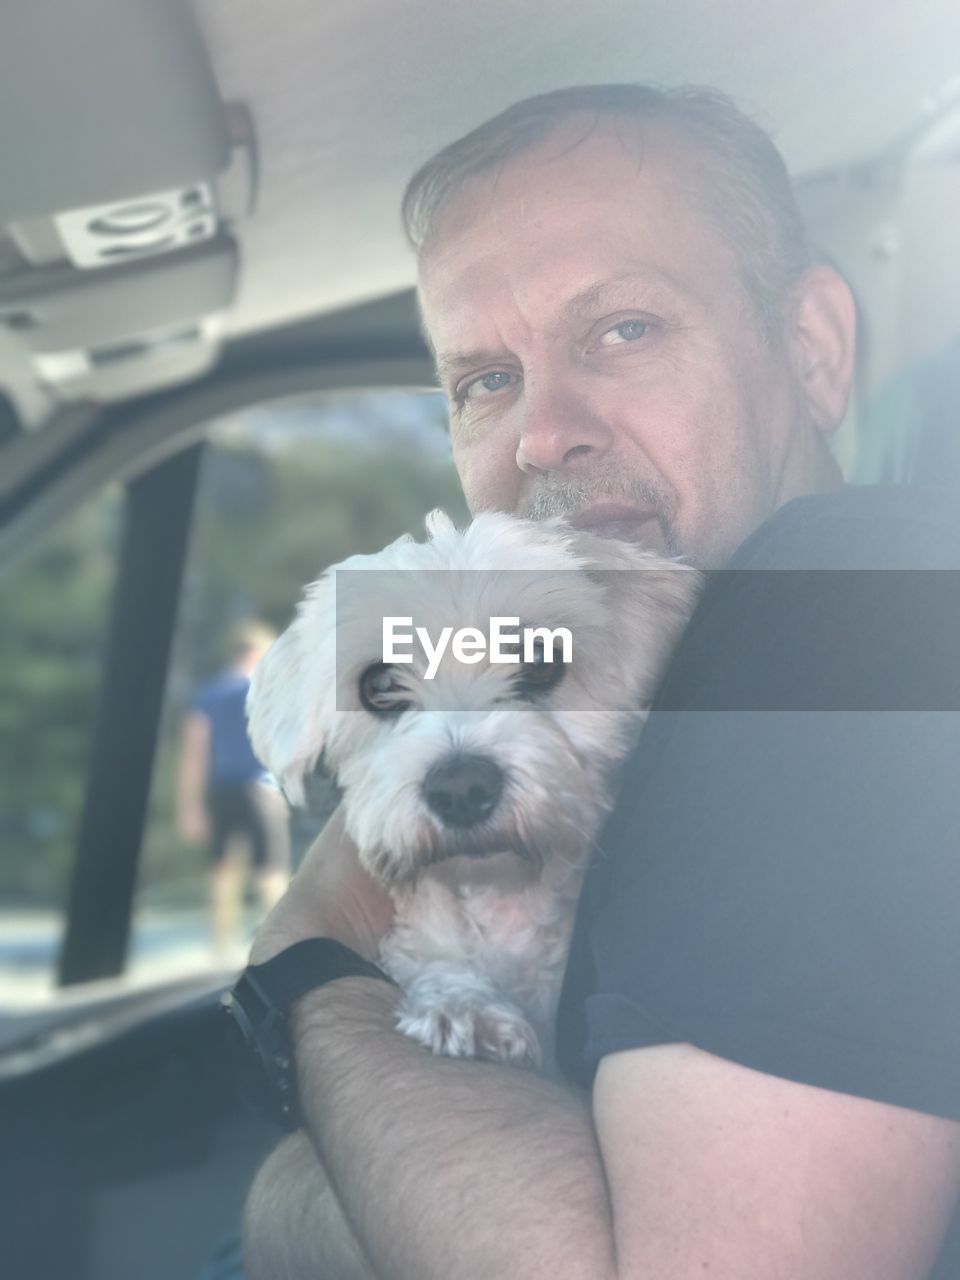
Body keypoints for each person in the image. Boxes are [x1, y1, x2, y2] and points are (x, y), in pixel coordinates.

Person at [242, 85, 960, 1278]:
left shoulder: (839, 615)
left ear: (813, 350)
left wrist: (310, 967)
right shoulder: (687, 703)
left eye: (623, 329)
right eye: (484, 380)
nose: (542, 435)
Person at [177, 619, 290, 960]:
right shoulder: (263, 691)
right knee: (271, 871)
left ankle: (221, 952)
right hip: (259, 790)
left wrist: (190, 807)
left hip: (221, 790)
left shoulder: (208, 694)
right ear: (257, 653)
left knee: (223, 873)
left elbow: (194, 753)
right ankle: (278, 951)